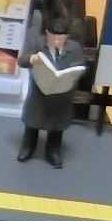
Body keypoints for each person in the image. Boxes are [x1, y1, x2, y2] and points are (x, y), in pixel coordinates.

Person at [18, 16, 83, 168]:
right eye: (53, 37)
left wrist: (71, 75)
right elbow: (22, 60)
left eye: (61, 38)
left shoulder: (74, 48)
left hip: (62, 93)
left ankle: (53, 150)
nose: (56, 41)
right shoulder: (38, 43)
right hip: (39, 91)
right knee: (33, 121)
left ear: (67, 36)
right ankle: (28, 146)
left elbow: (79, 65)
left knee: (57, 124)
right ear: (47, 33)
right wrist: (32, 59)